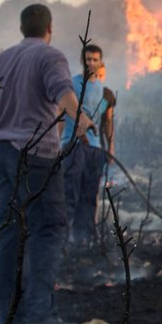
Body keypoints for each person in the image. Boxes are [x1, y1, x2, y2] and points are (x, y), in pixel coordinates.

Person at [0, 3, 95, 324]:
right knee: (49, 228)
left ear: (23, 28)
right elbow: (61, 91)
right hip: (36, 156)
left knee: (11, 232)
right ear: (49, 28)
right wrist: (79, 119)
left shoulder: (0, 61)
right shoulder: (49, 57)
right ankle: (40, 315)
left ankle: (9, 318)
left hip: (3, 155)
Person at [60, 44, 115, 248]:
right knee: (69, 194)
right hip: (72, 146)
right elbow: (59, 114)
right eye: (88, 59)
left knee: (90, 194)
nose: (91, 63)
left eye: (95, 59)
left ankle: (83, 240)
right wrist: (57, 145)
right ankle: (63, 241)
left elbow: (108, 122)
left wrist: (110, 147)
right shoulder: (71, 85)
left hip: (95, 150)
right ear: (82, 60)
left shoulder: (106, 93)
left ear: (100, 62)